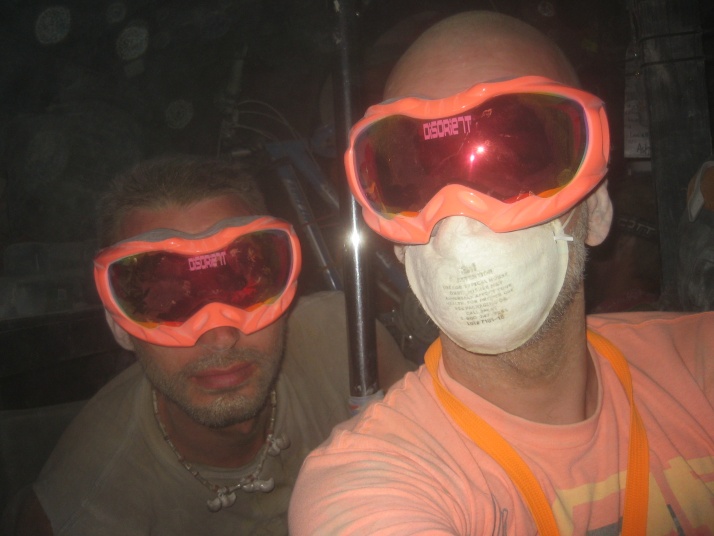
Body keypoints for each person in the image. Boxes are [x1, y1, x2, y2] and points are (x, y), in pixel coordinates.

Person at [289, 11, 714, 535]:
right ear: (398, 245)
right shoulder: (368, 484)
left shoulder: (698, 370)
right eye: (417, 177)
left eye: (515, 161)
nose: (461, 218)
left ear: (597, 208)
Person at [7, 155, 414, 535]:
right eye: (167, 300)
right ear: (120, 326)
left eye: (243, 283)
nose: (220, 336)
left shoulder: (347, 341)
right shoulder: (92, 505)